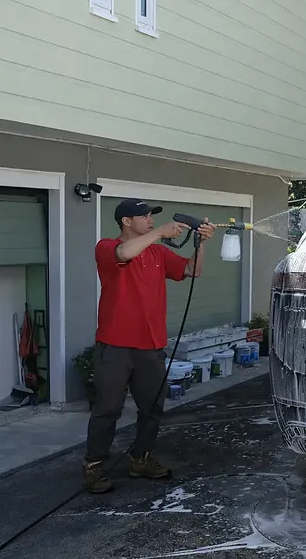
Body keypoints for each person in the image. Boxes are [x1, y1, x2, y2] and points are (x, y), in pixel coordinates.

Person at [82, 198, 215, 494]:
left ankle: (140, 459)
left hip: (150, 346)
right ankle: (94, 465)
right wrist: (159, 233)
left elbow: (193, 270)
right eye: (144, 216)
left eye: (152, 216)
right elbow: (124, 252)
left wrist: (200, 243)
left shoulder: (158, 253)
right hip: (115, 346)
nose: (150, 219)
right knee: (107, 409)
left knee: (153, 408)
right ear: (126, 221)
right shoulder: (106, 247)